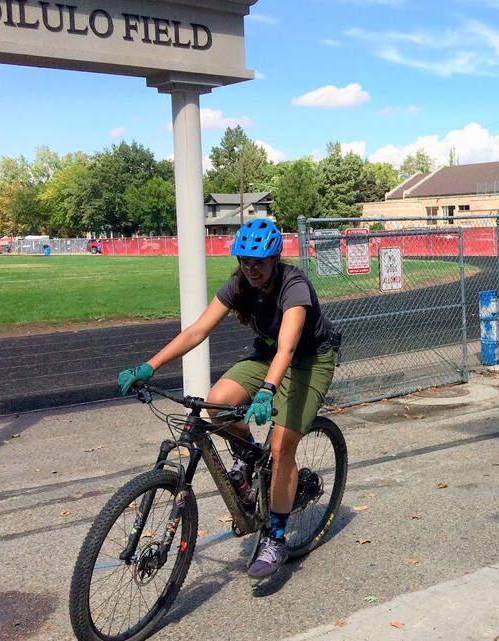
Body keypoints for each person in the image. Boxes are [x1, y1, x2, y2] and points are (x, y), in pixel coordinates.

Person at [117, 218, 341, 578]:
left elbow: (288, 347)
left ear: (275, 259)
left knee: (283, 448)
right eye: (245, 261)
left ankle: (276, 537)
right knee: (217, 403)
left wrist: (267, 390)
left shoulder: (293, 286)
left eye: (260, 262)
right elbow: (198, 330)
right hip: (267, 356)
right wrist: (150, 366)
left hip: (309, 361)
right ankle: (248, 459)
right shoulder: (240, 284)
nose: (251, 270)